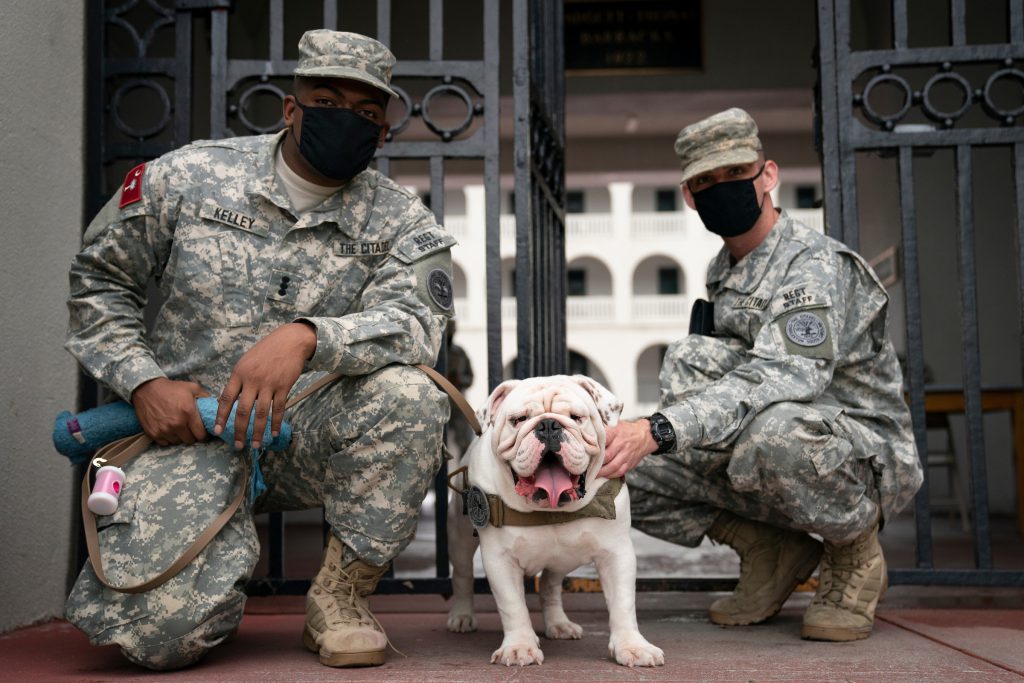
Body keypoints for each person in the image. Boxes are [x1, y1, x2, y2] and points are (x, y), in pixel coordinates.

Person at [64, 30, 455, 670]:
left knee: (410, 396)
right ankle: (212, 573)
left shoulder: (401, 220)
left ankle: (341, 596)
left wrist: (309, 335)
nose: (345, 119)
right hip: (188, 429)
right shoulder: (190, 176)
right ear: (290, 108)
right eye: (326, 99)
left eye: (365, 113)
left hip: (307, 433)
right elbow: (98, 282)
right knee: (157, 642)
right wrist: (142, 382)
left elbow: (418, 324)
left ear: (383, 133)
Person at [598, 108, 923, 642]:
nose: (721, 189)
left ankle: (855, 551)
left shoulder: (812, 264)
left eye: (734, 174)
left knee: (768, 437)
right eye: (705, 182)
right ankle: (768, 548)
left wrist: (657, 428)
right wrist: (643, 437)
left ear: (768, 175)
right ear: (689, 196)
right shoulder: (724, 270)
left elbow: (782, 376)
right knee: (611, 466)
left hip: (856, 450)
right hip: (769, 438)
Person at [443, 320, 475, 456]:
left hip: (457, 404)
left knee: (465, 443)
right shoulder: (436, 355)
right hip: (440, 403)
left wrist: (459, 381)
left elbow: (470, 377)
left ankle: (465, 472)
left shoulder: (460, 353)